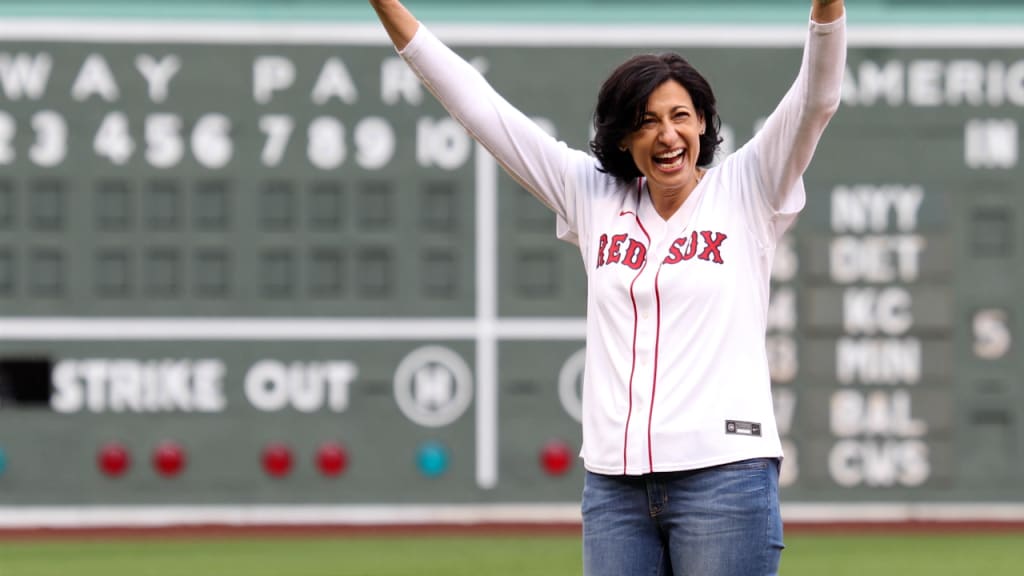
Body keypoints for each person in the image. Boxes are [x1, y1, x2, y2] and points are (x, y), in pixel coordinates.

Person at [368, 0, 846, 574]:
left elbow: (816, 99)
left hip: (725, 477)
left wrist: (827, 8)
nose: (667, 134)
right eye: (646, 121)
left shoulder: (748, 188)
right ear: (622, 138)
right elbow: (481, 109)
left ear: (702, 124)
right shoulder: (593, 197)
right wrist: (387, 8)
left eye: (680, 116)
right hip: (616, 490)